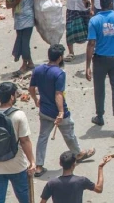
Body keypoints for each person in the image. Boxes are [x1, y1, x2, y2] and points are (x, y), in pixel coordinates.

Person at [28, 44, 94, 176]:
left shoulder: (38, 70)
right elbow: (58, 94)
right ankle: (78, 154)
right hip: (58, 112)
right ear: (59, 58)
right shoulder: (59, 73)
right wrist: (61, 112)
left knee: (43, 137)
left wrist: (36, 100)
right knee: (69, 133)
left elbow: (31, 88)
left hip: (44, 111)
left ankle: (39, 166)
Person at [0, 81, 35, 203]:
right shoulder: (18, 115)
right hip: (17, 165)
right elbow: (25, 141)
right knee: (25, 198)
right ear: (12, 97)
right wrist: (32, 162)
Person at [85, 0, 114, 138]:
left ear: (100, 4)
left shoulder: (94, 20)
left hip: (99, 59)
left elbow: (91, 43)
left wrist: (87, 66)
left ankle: (99, 116)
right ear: (111, 3)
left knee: (99, 88)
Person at [35, 150, 109, 203]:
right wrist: (100, 168)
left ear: (60, 164)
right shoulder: (81, 181)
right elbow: (99, 189)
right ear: (74, 165)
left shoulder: (51, 184)